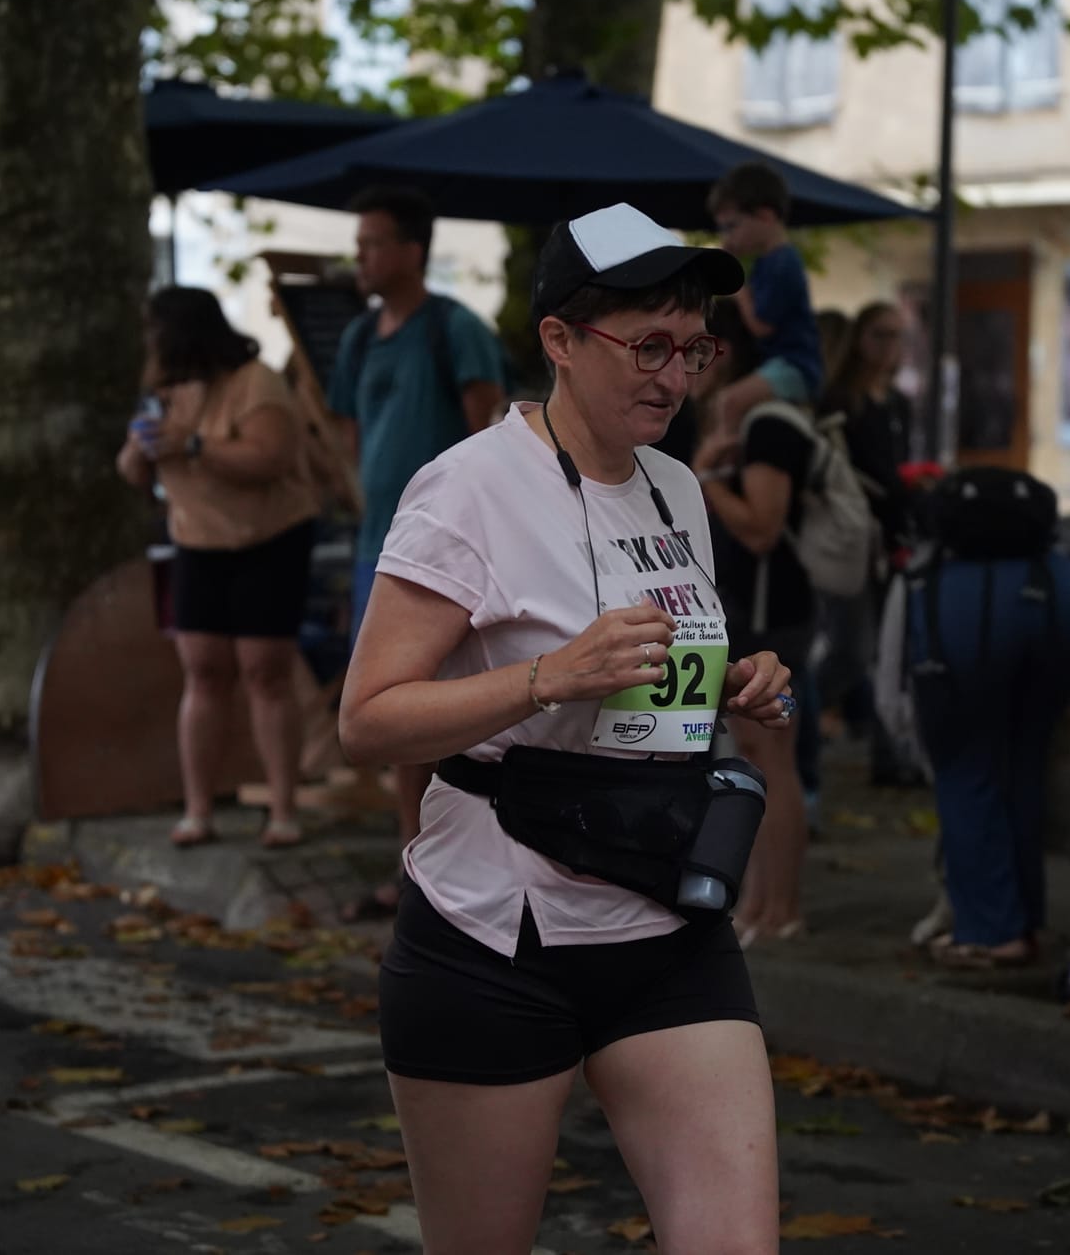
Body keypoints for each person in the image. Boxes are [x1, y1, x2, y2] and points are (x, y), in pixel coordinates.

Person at [340, 202, 792, 1253]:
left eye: (693, 349)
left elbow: (660, 672)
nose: (674, 377)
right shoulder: (466, 488)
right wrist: (547, 676)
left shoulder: (676, 485)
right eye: (647, 346)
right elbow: (365, 722)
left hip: (665, 912)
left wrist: (731, 682)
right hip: (497, 934)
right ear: (557, 340)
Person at [326, 185, 508, 919]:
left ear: (411, 250)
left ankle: (450, 866)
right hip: (381, 550)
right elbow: (348, 432)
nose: (361, 257)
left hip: (452, 559)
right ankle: (416, 867)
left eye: (373, 242)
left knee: (447, 712)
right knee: (394, 711)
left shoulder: (455, 328)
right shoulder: (358, 337)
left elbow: (489, 432)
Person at [118, 287, 319, 850]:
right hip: (196, 542)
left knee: (265, 671)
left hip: (269, 539)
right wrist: (140, 449)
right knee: (203, 670)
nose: (147, 341)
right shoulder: (166, 391)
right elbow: (134, 473)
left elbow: (269, 457)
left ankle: (283, 810)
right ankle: (198, 810)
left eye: (153, 329)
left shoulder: (257, 381)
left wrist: (196, 445)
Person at [904, 524, 1070, 968]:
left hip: (964, 626)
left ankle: (992, 932)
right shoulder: (1049, 561)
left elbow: (901, 677)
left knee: (965, 773)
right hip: (1059, 606)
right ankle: (1027, 920)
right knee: (1024, 767)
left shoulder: (934, 568)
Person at [691, 307, 816, 947]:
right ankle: (762, 906)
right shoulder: (740, 426)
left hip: (770, 616)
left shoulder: (765, 429)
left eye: (695, 350)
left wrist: (707, 474)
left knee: (772, 756)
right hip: (747, 609)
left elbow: (762, 527)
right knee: (753, 754)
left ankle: (780, 908)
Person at [824, 301, 921, 783]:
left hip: (892, 535)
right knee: (852, 649)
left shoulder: (898, 403)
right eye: (880, 335)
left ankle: (889, 756)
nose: (889, 347)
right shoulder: (842, 399)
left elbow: (896, 468)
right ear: (860, 339)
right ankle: (791, 711)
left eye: (897, 337)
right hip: (851, 537)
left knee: (892, 647)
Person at [705, 161, 824, 435]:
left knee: (729, 402)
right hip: (780, 363)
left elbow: (762, 325)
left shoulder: (783, 262)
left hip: (794, 365)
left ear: (766, 216)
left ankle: (720, 464)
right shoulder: (769, 261)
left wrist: (739, 288)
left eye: (732, 226)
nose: (728, 238)